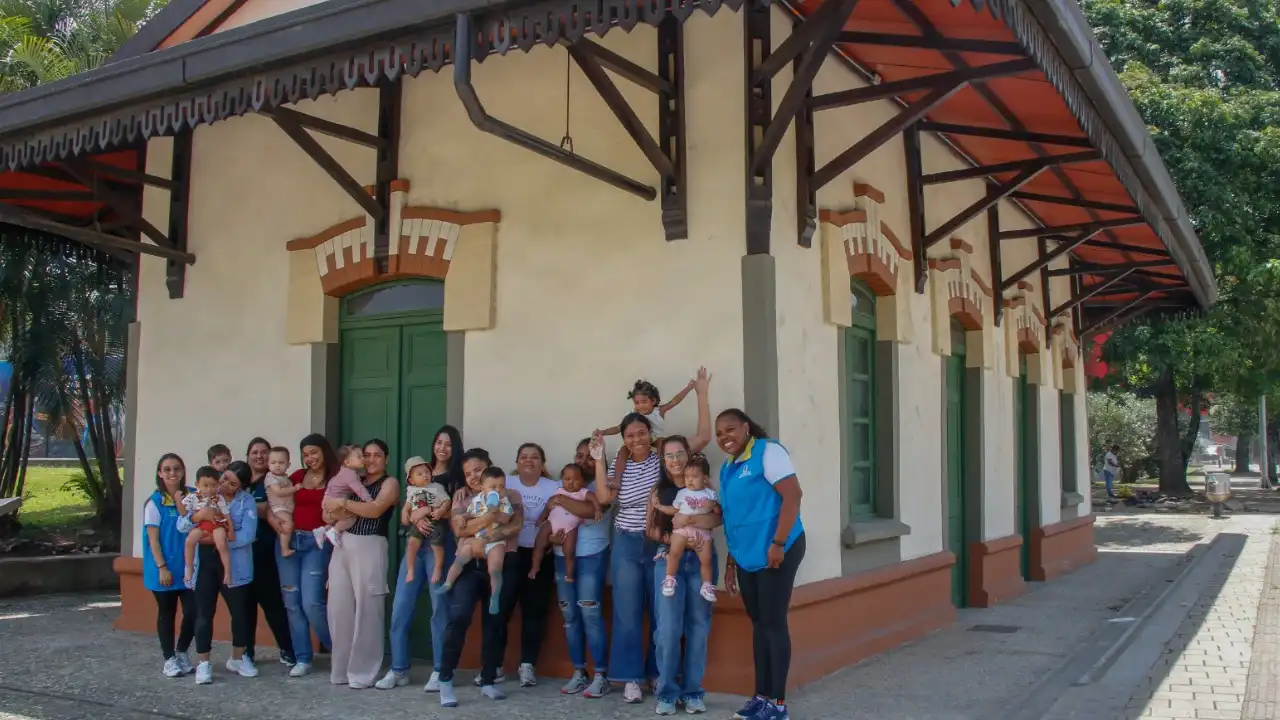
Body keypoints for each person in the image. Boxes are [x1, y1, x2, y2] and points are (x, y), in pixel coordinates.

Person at [717, 409, 805, 720]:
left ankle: (778, 705)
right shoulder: (728, 467)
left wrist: (778, 544)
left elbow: (793, 496)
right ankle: (761, 696)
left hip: (777, 549)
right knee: (758, 623)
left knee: (773, 621)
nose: (724, 437)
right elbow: (733, 518)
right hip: (747, 555)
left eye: (730, 429)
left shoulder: (768, 451)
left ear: (745, 427)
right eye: (719, 433)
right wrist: (731, 562)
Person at [435, 448, 524, 707]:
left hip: (502, 564)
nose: (474, 476)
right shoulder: (462, 498)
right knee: (459, 617)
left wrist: (484, 533)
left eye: (478, 470)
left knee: (495, 623)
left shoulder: (511, 494)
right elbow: (459, 530)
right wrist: (490, 519)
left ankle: (488, 680)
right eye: (468, 473)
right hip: (470, 568)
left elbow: (516, 524)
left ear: (489, 468)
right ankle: (445, 679)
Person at [379, 425, 465, 693]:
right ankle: (399, 668)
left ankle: (440, 670)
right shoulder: (417, 476)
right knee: (400, 606)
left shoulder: (458, 480)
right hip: (415, 546)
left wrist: (429, 510)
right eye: (439, 442)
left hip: (441, 545)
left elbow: (458, 513)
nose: (442, 448)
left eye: (448, 443)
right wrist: (415, 516)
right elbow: (404, 517)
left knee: (440, 608)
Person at [592, 411, 665, 703]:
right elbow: (604, 498)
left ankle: (658, 673)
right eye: (630, 435)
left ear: (651, 434)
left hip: (659, 540)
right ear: (624, 439)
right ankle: (631, 677)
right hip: (625, 540)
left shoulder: (661, 460)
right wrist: (599, 459)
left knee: (661, 609)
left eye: (642, 433)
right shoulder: (620, 465)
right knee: (627, 610)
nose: (637, 440)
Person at [324, 438, 399, 689]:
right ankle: (340, 669)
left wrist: (343, 504)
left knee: (368, 609)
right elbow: (327, 512)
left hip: (370, 544)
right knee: (339, 608)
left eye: (377, 455)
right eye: (366, 454)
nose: (371, 459)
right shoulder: (351, 479)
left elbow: (375, 510)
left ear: (386, 459)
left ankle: (363, 671)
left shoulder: (389, 483)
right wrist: (335, 507)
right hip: (342, 544)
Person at [182, 461, 259, 685]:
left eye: (232, 484)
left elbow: (247, 535)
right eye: (224, 479)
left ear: (241, 487)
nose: (225, 485)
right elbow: (182, 525)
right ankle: (203, 662)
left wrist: (219, 541)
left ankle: (238, 657)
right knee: (204, 613)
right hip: (205, 563)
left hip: (234, 565)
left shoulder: (246, 501)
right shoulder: (200, 495)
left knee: (240, 613)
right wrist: (198, 518)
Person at [495, 442, 561, 688]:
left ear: (542, 464)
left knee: (534, 612)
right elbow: (481, 493)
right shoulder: (507, 484)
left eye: (534, 457)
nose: (528, 461)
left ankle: (527, 665)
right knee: (502, 609)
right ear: (516, 462)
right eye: (523, 457)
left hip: (540, 556)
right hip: (510, 555)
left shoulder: (553, 487)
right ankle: (495, 665)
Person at [552, 439, 613, 698]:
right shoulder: (564, 484)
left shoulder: (603, 485)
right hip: (561, 557)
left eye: (590, 456)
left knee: (590, 613)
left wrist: (559, 500)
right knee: (569, 616)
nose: (583, 461)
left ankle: (601, 674)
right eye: (579, 455)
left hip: (591, 556)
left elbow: (589, 510)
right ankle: (579, 671)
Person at [279, 434, 338, 679]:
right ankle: (303, 658)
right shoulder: (296, 477)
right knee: (292, 603)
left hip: (317, 543)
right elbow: (276, 503)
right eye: (305, 454)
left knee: (312, 603)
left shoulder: (335, 478)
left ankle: (340, 653)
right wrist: (278, 524)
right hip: (289, 542)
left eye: (314, 452)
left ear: (324, 451)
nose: (310, 458)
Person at [242, 438, 295, 669]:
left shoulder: (273, 479)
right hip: (242, 553)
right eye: (255, 452)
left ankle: (287, 649)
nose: (259, 456)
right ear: (247, 456)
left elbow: (266, 509)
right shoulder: (241, 480)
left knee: (273, 604)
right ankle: (246, 652)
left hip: (266, 551)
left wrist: (243, 507)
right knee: (244, 607)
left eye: (264, 452)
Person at [143, 453, 196, 678]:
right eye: (167, 469)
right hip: (164, 569)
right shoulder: (154, 502)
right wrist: (162, 567)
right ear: (160, 473)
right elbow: (153, 540)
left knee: (193, 612)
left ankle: (182, 652)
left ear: (183, 471)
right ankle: (169, 659)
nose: (172, 473)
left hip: (189, 567)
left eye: (176, 468)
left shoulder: (193, 496)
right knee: (167, 613)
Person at [599, 378, 696, 488]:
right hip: (641, 439)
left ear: (653, 401)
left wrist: (688, 388)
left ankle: (665, 475)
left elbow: (674, 401)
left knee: (663, 446)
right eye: (636, 403)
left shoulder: (658, 411)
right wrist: (603, 432)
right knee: (623, 450)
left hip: (656, 438)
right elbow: (618, 428)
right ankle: (617, 478)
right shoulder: (633, 414)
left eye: (644, 402)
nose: (640, 406)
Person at [443, 467, 514, 611]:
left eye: (501, 487)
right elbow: (470, 514)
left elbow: (506, 518)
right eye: (493, 487)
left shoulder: (504, 502)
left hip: (495, 542)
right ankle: (448, 582)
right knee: (461, 557)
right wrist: (462, 517)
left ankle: (495, 596)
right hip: (477, 539)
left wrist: (495, 511)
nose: (497, 490)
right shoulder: (477, 500)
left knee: (495, 568)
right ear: (482, 488)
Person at [656, 456, 718, 603]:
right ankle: (669, 578)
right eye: (687, 476)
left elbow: (718, 514)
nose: (690, 480)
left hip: (702, 531)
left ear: (705, 478)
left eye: (695, 476)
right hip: (682, 529)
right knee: (674, 551)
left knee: (707, 559)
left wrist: (713, 505)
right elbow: (674, 509)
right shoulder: (682, 493)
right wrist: (660, 507)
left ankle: (707, 585)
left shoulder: (710, 493)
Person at [529, 463, 601, 582]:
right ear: (562, 479)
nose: (571, 482)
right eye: (567, 479)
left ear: (582, 481)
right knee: (539, 542)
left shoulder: (583, 492)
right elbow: (548, 507)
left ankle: (569, 574)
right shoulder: (558, 491)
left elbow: (594, 499)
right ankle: (535, 567)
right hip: (551, 523)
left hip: (570, 528)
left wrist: (598, 510)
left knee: (569, 552)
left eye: (575, 480)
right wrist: (542, 518)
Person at [400, 456, 450, 585]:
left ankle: (438, 567)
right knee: (412, 543)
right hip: (418, 521)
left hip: (435, 519)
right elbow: (408, 505)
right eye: (420, 474)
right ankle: (410, 570)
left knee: (436, 545)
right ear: (411, 480)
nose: (425, 475)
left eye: (427, 472)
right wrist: (404, 511)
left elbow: (446, 501)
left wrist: (440, 510)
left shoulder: (437, 487)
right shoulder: (411, 490)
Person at [181, 466, 234, 587]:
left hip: (218, 523)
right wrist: (180, 504)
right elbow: (184, 512)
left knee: (221, 544)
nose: (210, 489)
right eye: (205, 485)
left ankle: (227, 571)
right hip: (202, 524)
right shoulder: (192, 497)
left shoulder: (219, 498)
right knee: (189, 541)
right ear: (197, 484)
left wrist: (231, 531)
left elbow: (227, 515)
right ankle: (189, 568)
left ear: (218, 484)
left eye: (213, 485)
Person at [319, 443, 373, 547]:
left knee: (340, 517)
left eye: (363, 456)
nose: (363, 459)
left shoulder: (346, 471)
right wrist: (369, 500)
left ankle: (323, 530)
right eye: (359, 457)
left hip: (328, 499)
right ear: (347, 462)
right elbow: (359, 489)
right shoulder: (350, 475)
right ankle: (335, 531)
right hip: (334, 502)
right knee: (351, 517)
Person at [264, 446, 298, 558]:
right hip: (278, 507)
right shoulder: (270, 477)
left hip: (286, 507)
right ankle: (284, 549)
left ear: (288, 465)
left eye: (281, 462)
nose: (277, 465)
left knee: (287, 525)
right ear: (268, 464)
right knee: (287, 525)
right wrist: (295, 488)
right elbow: (279, 492)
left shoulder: (285, 478)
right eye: (273, 463)